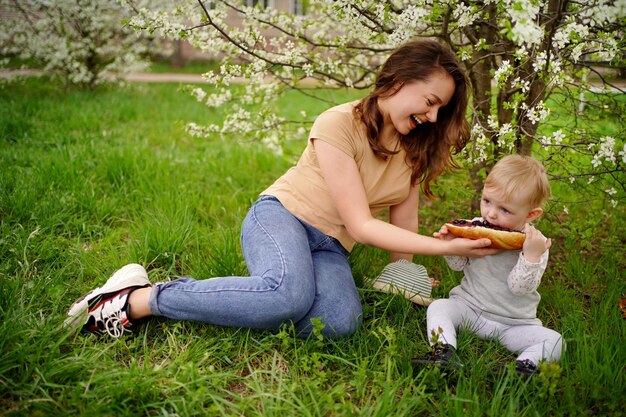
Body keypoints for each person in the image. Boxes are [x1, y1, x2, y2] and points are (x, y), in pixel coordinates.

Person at [66, 39, 499, 340]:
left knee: (338, 322)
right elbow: (362, 225)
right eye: (429, 100)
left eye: (442, 108)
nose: (434, 116)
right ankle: (136, 299)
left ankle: (272, 293)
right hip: (281, 217)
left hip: (330, 248)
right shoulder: (338, 123)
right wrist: (441, 249)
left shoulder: (413, 148)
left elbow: (402, 221)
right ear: (398, 81)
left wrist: (408, 275)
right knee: (286, 295)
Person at [413, 154, 563, 376]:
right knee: (439, 307)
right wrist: (450, 246)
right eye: (487, 201)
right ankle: (443, 352)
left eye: (505, 210)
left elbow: (520, 288)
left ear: (531, 214)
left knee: (555, 340)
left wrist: (530, 257)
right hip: (469, 309)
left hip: (514, 325)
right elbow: (458, 265)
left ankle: (520, 370)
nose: (491, 214)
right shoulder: (475, 227)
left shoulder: (537, 244)